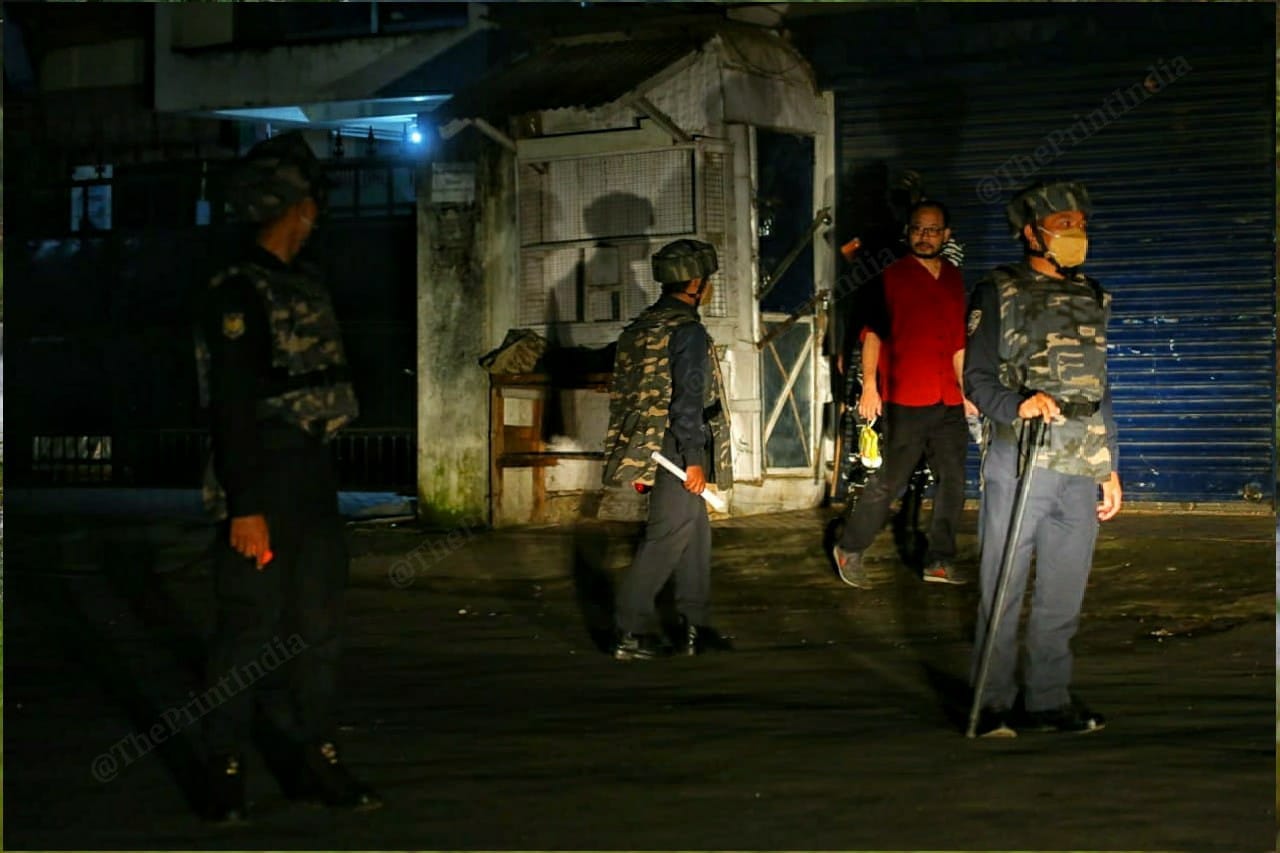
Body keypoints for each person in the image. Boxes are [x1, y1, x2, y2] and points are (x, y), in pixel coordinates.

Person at [193, 131, 380, 820]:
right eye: (307, 201)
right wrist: (245, 504)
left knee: (319, 625)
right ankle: (226, 766)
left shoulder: (301, 281)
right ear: (287, 206)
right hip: (260, 476)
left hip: (307, 474)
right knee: (249, 627)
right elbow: (234, 403)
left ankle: (314, 757)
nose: (315, 214)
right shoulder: (237, 290)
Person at [962, 180, 1122, 737]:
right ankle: (991, 702)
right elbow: (977, 379)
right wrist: (1018, 403)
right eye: (1063, 223)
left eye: (1080, 223)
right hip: (1020, 459)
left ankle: (1049, 701)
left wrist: (1110, 466)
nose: (1076, 233)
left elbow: (1100, 387)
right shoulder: (998, 291)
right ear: (1030, 232)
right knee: (1002, 589)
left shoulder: (1093, 295)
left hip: (1080, 466)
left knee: (1062, 593)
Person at [831, 200, 976, 587]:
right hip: (907, 397)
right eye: (917, 229)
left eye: (932, 230)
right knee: (890, 483)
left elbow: (959, 344)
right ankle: (850, 546)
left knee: (953, 481)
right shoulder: (889, 273)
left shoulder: (953, 278)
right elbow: (872, 333)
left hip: (948, 399)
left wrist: (966, 392)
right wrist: (869, 388)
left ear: (946, 235)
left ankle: (939, 560)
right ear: (907, 231)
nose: (924, 236)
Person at [602, 239, 735, 661]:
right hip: (677, 450)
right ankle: (628, 630)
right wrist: (694, 459)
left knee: (694, 533)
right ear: (696, 282)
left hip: (649, 448)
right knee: (666, 539)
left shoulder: (643, 327)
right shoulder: (687, 332)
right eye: (707, 281)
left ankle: (695, 626)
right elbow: (687, 402)